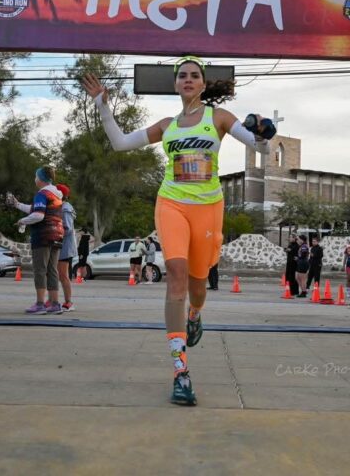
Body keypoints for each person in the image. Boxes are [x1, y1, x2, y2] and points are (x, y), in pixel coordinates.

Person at [83, 55, 272, 406]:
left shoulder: (218, 117)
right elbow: (120, 143)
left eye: (194, 75)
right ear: (175, 84)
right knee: (176, 276)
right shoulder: (167, 125)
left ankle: (195, 314)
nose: (188, 79)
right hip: (171, 203)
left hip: (208, 209)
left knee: (198, 285)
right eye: (182, 75)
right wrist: (102, 106)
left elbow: (259, 145)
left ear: (203, 83)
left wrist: (262, 132)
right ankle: (180, 371)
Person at [8, 166, 64, 314]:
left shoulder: (42, 194)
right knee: (52, 270)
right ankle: (54, 304)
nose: (35, 179)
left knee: (40, 270)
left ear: (41, 179)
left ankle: (40, 304)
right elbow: (34, 209)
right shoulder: (56, 195)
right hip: (58, 235)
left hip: (43, 236)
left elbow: (38, 215)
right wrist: (17, 204)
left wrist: (22, 221)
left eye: (36, 176)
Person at [55, 184, 77, 311]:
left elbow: (67, 229)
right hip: (59, 246)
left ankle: (69, 302)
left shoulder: (65, 209)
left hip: (65, 247)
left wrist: (54, 231)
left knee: (63, 275)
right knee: (57, 275)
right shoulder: (60, 207)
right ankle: (54, 300)